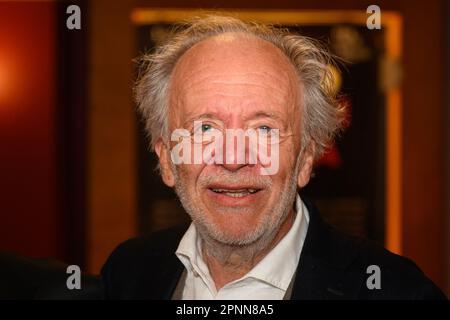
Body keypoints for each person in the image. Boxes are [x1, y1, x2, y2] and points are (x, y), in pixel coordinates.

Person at [101, 15, 446, 300]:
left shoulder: (399, 293)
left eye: (264, 129)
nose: (233, 158)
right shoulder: (128, 274)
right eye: (205, 128)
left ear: (306, 158)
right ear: (165, 159)